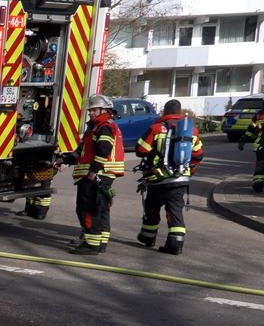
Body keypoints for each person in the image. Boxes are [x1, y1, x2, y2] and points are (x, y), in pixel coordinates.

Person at [134, 99, 204, 255]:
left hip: (158, 178)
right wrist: (188, 169)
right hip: (180, 179)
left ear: (165, 112)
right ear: (179, 112)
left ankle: (148, 237)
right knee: (174, 210)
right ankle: (175, 243)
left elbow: (141, 150)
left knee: (152, 207)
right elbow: (198, 154)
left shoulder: (156, 128)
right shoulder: (191, 131)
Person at [61, 94, 124, 255]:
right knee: (101, 208)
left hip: (97, 174)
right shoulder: (97, 126)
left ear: (104, 110)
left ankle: (91, 244)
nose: (90, 113)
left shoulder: (104, 126)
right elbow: (81, 151)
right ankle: (100, 242)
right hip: (102, 174)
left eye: (94, 110)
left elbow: (103, 151)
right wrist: (64, 160)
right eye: (90, 110)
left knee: (88, 208)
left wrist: (93, 171)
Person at [241, 116, 263, 193]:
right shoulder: (260, 115)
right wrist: (243, 140)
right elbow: (251, 131)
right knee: (261, 165)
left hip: (261, 146)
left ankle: (258, 182)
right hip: (261, 147)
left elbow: (251, 131)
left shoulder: (260, 115)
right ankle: (258, 183)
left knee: (261, 165)